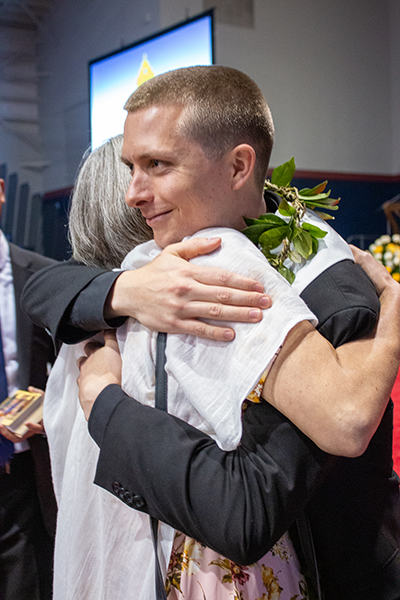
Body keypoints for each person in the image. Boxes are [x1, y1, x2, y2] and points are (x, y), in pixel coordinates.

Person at [22, 67, 400, 599]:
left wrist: (101, 398)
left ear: (240, 166)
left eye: (157, 165)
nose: (133, 193)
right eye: (131, 167)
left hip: (337, 571)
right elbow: (46, 287)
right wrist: (125, 292)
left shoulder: (315, 289)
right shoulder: (169, 267)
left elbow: (250, 503)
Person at [0, 178, 57, 600]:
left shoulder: (45, 278)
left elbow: (79, 367)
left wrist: (50, 403)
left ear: (1, 191)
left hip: (23, 478)